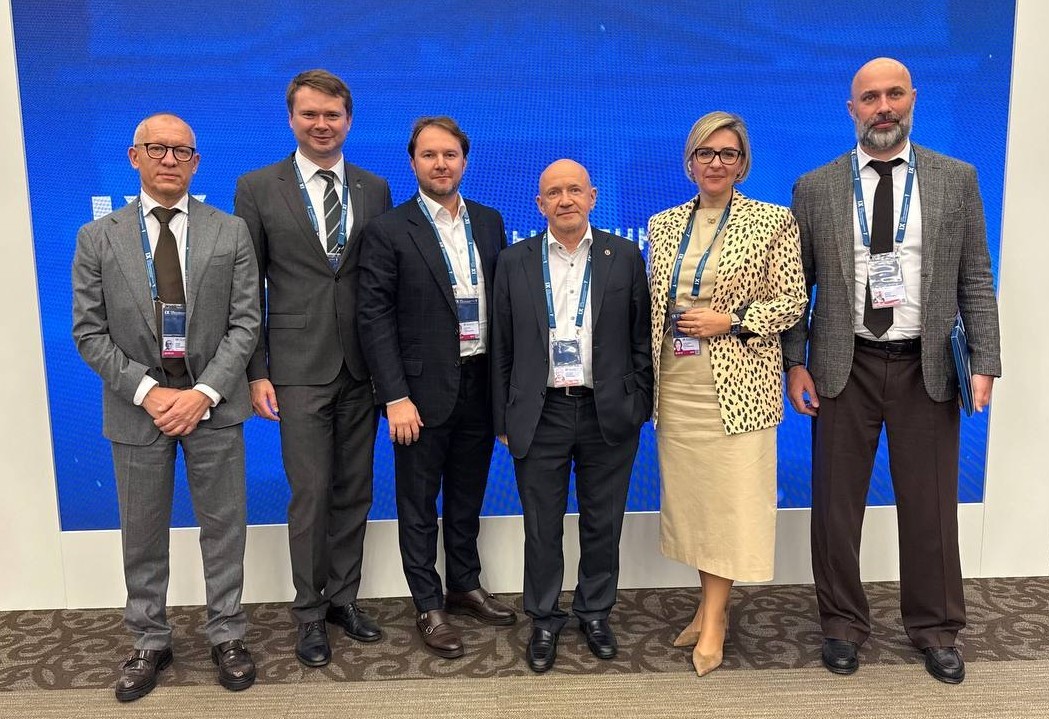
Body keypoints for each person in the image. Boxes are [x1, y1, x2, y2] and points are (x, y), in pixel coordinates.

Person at [782, 57, 1002, 685]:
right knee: (835, 508)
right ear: (851, 108)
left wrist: (984, 361)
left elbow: (975, 276)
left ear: (913, 99)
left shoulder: (956, 179)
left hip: (924, 366)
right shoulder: (815, 187)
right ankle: (841, 624)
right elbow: (797, 286)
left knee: (931, 506)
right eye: (870, 97)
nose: (883, 107)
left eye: (894, 94)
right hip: (841, 364)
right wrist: (795, 362)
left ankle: (936, 629)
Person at [72, 113, 260, 701]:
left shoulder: (230, 231)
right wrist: (149, 392)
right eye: (157, 149)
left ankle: (227, 633)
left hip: (213, 405)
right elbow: (88, 333)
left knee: (224, 528)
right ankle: (149, 639)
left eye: (182, 151)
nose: (170, 159)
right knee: (143, 533)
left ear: (196, 162)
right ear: (135, 157)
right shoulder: (97, 237)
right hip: (137, 409)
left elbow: (246, 323)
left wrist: (203, 393)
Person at [233, 69, 393, 667]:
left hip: (362, 367)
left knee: (355, 490)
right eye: (310, 114)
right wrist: (257, 371)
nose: (321, 125)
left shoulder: (374, 187)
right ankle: (308, 612)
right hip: (296, 368)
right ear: (292, 119)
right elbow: (247, 288)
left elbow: (379, 283)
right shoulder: (257, 187)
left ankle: (343, 600)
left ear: (348, 120)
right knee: (310, 493)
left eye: (332, 115)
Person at [647, 111, 806, 677]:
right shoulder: (663, 223)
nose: (716, 163)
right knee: (696, 504)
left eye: (728, 154)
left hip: (739, 388)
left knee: (729, 502)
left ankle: (715, 618)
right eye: (706, 153)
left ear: (743, 164)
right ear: (690, 161)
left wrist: (733, 320)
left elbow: (793, 301)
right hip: (678, 384)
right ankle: (706, 604)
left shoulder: (773, 221)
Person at [357, 117, 515, 659]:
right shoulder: (388, 229)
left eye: (450, 154)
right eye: (429, 155)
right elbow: (374, 318)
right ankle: (428, 603)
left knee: (468, 495)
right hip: (418, 396)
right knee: (419, 503)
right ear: (413, 163)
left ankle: (465, 585)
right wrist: (394, 396)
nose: (440, 164)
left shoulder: (489, 222)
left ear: (464, 161)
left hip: (479, 383)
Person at [491, 159, 653, 673]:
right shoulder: (514, 261)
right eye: (554, 192)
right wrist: (502, 418)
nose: (565, 200)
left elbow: (641, 338)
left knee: (603, 522)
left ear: (592, 197)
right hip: (541, 413)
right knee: (542, 526)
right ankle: (543, 618)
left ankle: (595, 612)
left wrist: (640, 403)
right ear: (539, 204)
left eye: (575, 190)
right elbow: (501, 346)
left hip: (609, 412)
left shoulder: (624, 255)